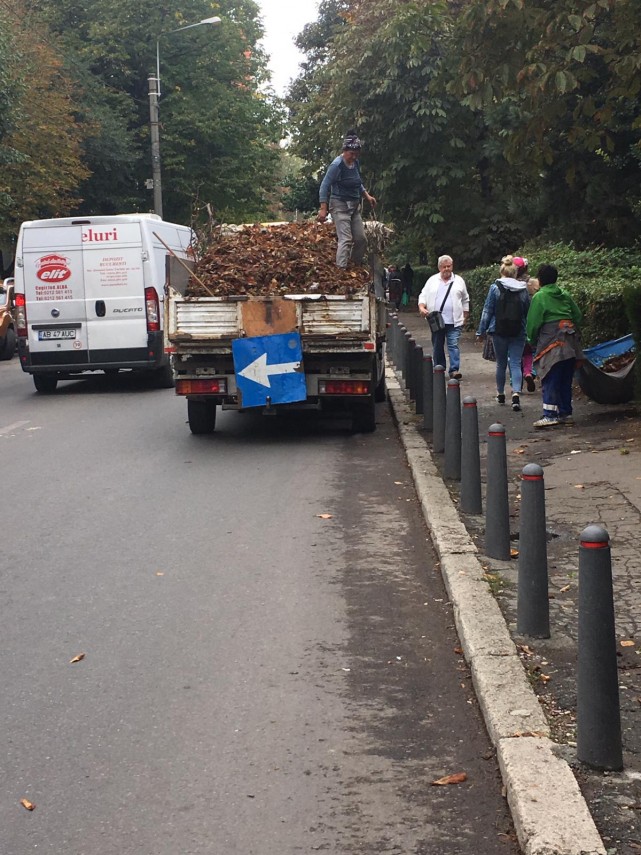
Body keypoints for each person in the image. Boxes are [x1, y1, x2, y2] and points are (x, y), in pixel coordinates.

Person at [526, 263, 583, 428]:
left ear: (540, 280)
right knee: (565, 378)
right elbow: (578, 316)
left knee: (549, 377)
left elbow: (533, 323)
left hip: (550, 343)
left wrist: (531, 340)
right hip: (570, 343)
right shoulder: (565, 294)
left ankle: (550, 415)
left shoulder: (540, 297)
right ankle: (566, 414)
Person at [476, 255, 531, 411]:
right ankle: (516, 393)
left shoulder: (495, 288)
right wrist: (529, 330)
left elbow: (487, 311)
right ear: (515, 273)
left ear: (502, 272)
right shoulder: (522, 289)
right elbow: (527, 311)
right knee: (515, 362)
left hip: (498, 330)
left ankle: (500, 393)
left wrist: (481, 331)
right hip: (518, 330)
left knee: (501, 363)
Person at [317, 131, 377, 269]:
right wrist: (323, 209)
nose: (354, 157)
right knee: (346, 239)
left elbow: (356, 182)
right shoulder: (337, 165)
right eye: (352, 154)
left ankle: (355, 267)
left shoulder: (355, 163)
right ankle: (341, 270)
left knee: (361, 239)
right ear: (344, 150)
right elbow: (324, 186)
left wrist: (367, 196)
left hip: (354, 207)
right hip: (340, 205)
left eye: (357, 154)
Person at [418, 255, 469, 379]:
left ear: (452, 266)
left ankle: (454, 370)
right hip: (436, 320)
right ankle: (439, 368)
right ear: (439, 267)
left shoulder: (459, 281)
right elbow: (423, 295)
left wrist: (465, 315)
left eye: (449, 266)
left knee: (453, 344)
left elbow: (465, 299)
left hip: (454, 320)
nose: (446, 269)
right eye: (444, 266)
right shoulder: (432, 280)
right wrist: (422, 307)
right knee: (437, 345)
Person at [513, 256, 539, 392]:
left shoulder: (508, 284)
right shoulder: (533, 283)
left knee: (514, 355)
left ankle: (515, 383)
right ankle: (529, 372)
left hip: (513, 323)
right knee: (529, 352)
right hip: (529, 322)